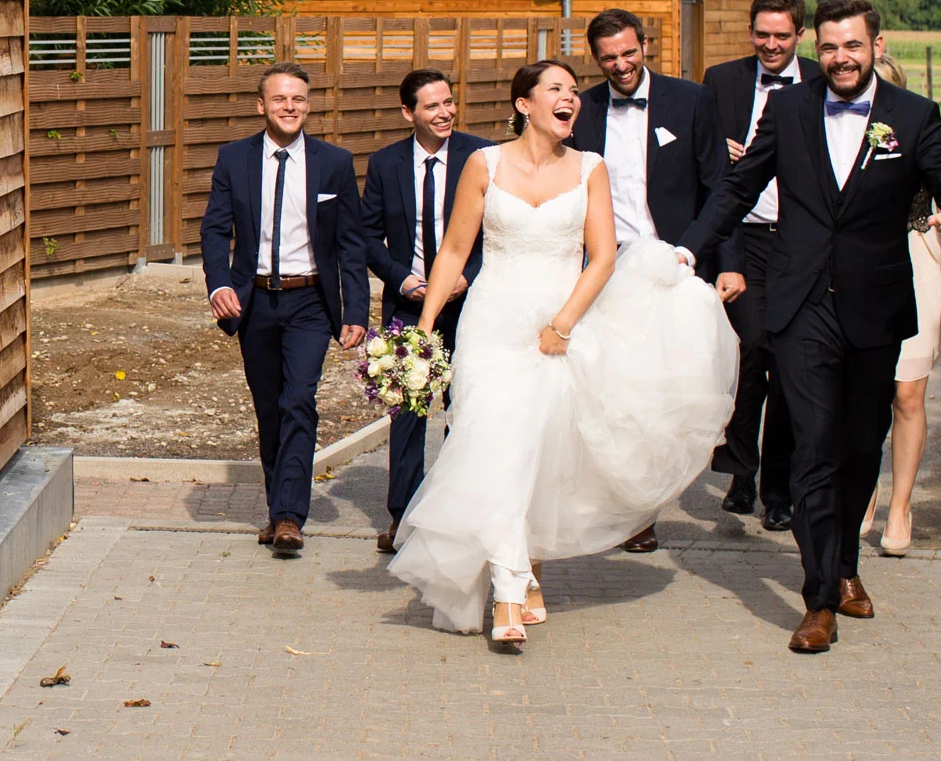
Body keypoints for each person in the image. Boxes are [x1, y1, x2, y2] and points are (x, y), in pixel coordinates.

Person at [388, 59, 737, 645]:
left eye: (574, 92)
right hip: (491, 325)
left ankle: (525, 573)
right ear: (524, 104)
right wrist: (423, 333)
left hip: (559, 325)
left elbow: (601, 257)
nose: (570, 99)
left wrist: (565, 323)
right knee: (493, 447)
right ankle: (505, 592)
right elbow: (452, 252)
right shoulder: (484, 163)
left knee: (539, 454)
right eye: (556, 90)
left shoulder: (590, 168)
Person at [676, 0, 941, 654]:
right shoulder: (788, 108)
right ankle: (820, 598)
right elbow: (736, 187)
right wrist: (691, 245)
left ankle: (845, 565)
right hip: (802, 301)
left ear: (875, 45)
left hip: (875, 306)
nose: (841, 58)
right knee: (814, 447)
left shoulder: (912, 115)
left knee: (856, 448)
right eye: (831, 46)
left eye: (853, 45)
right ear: (820, 47)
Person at [568, 8, 737, 554]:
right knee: (613, 393)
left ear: (646, 45)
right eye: (608, 58)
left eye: (628, 52)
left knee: (667, 394)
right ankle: (631, 514)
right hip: (605, 270)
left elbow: (720, 186)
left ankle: (649, 499)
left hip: (672, 268)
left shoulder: (691, 101)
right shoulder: (583, 111)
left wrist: (722, 260)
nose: (620, 65)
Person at [200, 62, 369, 555]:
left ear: (308, 105)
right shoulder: (234, 159)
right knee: (270, 409)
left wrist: (355, 309)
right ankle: (279, 509)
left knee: (299, 399)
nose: (290, 107)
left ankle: (290, 516)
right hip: (254, 302)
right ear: (262, 106)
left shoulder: (333, 161)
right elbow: (215, 229)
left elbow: (351, 243)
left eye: (298, 99)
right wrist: (217, 286)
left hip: (310, 301)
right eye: (280, 100)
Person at [701, 0, 822, 532]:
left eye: (781, 36)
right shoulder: (721, 81)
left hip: (796, 240)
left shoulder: (821, 81)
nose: (771, 45)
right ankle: (741, 469)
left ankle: (779, 489)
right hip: (742, 240)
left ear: (799, 35)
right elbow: (706, 161)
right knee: (751, 352)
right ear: (750, 32)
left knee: (788, 359)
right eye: (762, 34)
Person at [361, 70, 494, 553]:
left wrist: (467, 276)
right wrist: (403, 279)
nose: (445, 113)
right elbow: (368, 236)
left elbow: (495, 228)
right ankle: (405, 518)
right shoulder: (385, 163)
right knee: (409, 412)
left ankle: (468, 518)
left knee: (469, 410)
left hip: (469, 302)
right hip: (408, 303)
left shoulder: (479, 157)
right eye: (433, 106)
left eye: (449, 103)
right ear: (408, 113)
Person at [861, 54, 941, 556]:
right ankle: (865, 490)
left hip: (916, 260)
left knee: (907, 393)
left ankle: (901, 504)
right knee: (861, 393)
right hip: (856, 262)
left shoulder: (927, 133)